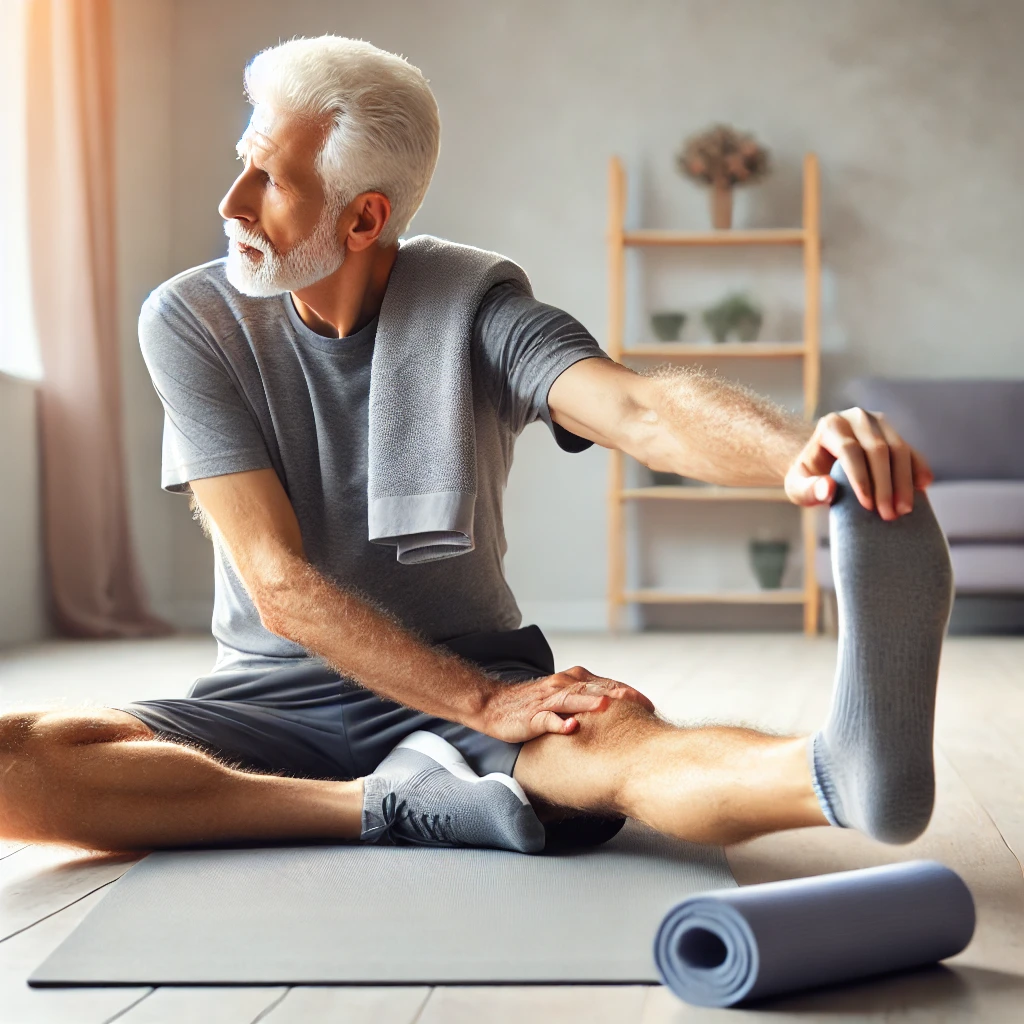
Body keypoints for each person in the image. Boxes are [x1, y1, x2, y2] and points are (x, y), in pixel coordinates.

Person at [0, 37, 952, 857]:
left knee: (621, 747)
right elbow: (277, 586)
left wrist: (804, 453)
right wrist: (474, 710)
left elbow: (637, 408)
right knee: (13, 761)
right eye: (245, 163)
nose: (232, 201)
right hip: (271, 698)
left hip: (478, 669)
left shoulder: (478, 308)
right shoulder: (192, 318)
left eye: (271, 181)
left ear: (365, 217)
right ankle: (375, 808)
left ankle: (834, 770)